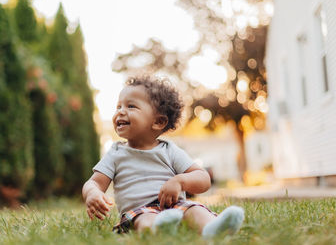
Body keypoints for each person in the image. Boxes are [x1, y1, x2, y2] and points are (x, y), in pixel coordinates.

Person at [82, 75, 244, 237]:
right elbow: (94, 183)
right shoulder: (116, 153)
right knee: (145, 220)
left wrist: (180, 181)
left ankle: (212, 229)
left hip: (175, 206)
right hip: (139, 211)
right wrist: (93, 193)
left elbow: (203, 178)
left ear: (158, 122)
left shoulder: (169, 150)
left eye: (131, 106)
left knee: (194, 209)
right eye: (118, 107)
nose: (120, 112)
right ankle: (159, 231)